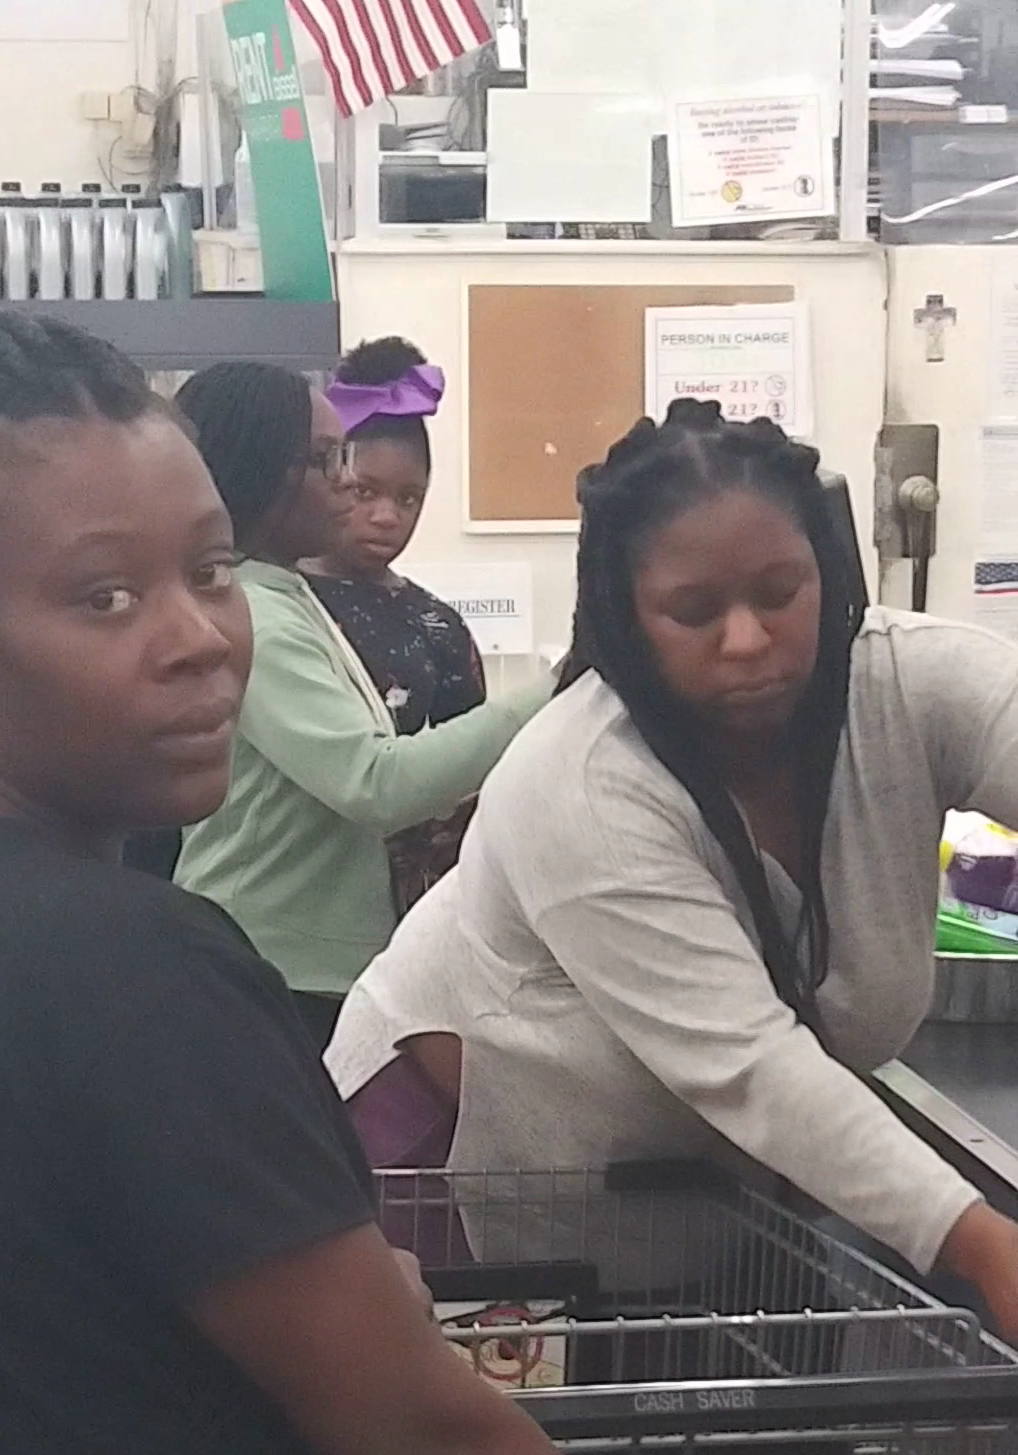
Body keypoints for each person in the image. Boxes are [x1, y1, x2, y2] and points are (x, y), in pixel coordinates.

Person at [0, 314, 914, 1455]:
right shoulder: (130, 976)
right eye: (103, 597)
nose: (200, 640)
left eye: (212, 571)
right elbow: (433, 1450)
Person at [328, 401, 1018, 1337]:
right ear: (625, 616)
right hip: (466, 1166)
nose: (748, 639)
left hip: (702, 1191)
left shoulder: (906, 685)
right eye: (694, 611)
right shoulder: (582, 780)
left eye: (780, 591)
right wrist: (985, 1244)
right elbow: (749, 1064)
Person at [173, 361, 548, 1052]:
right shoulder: (259, 615)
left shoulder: (290, 597)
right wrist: (558, 690)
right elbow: (376, 784)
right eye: (327, 460)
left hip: (312, 968)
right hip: (273, 968)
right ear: (262, 473)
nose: (347, 483)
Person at [305, 336, 488, 912]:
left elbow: (474, 769)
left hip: (417, 906)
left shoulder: (436, 625)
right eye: (366, 492)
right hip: (299, 894)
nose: (386, 517)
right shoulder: (278, 604)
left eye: (409, 499)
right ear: (331, 479)